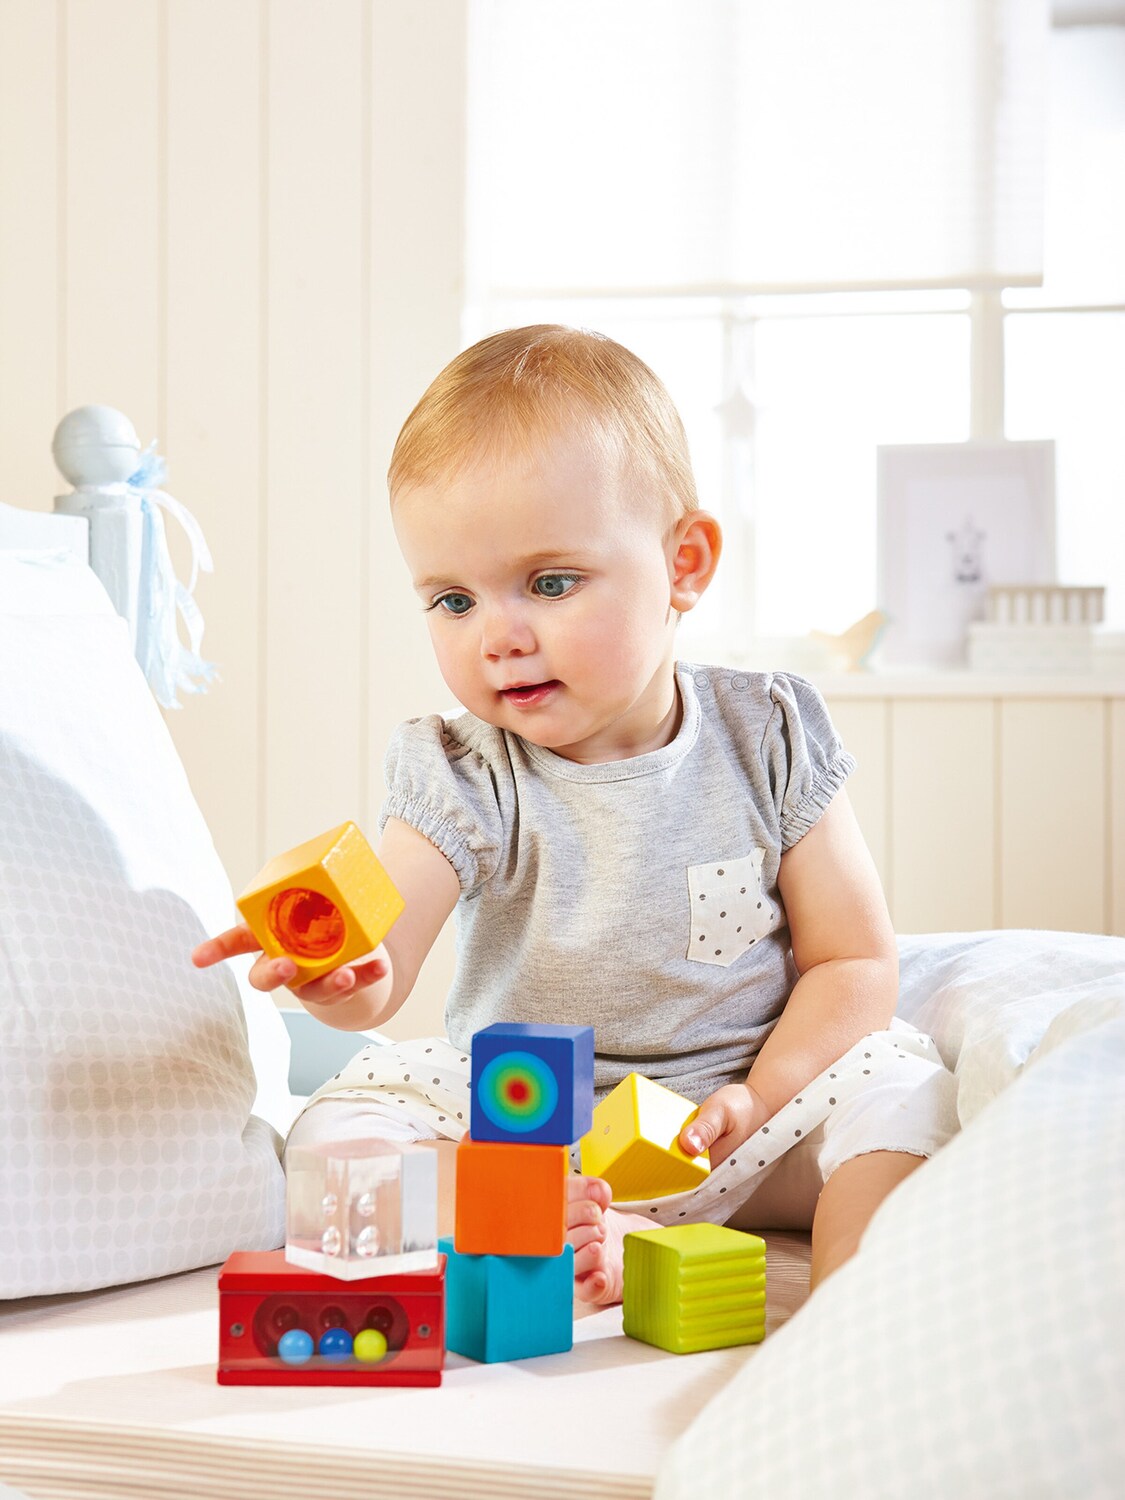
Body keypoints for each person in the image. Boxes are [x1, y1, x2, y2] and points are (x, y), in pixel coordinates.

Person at [193, 325, 957, 1303]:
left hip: (739, 1119)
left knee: (907, 1095)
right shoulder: (459, 770)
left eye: (550, 584)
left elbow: (853, 962)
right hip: (525, 1133)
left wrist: (756, 1095)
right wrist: (333, 978)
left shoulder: (768, 730)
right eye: (453, 601)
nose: (499, 637)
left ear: (684, 563)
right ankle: (521, 1213)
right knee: (330, 1141)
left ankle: (856, 1313)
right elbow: (381, 975)